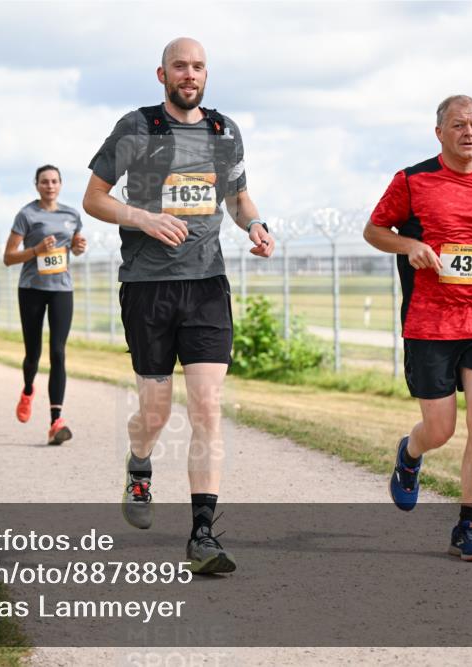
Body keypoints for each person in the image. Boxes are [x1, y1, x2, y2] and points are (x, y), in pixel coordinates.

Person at [83, 37, 274, 574]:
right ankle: (140, 464)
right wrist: (143, 218)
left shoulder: (225, 131)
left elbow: (238, 198)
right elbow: (93, 198)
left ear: (206, 74)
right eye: (180, 67)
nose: (190, 74)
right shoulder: (135, 127)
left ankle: (202, 534)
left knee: (207, 406)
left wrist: (256, 225)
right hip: (148, 286)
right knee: (156, 411)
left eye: (198, 67)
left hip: (207, 283)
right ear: (162, 74)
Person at [363, 95, 472, 562]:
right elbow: (374, 231)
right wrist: (409, 245)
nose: (469, 132)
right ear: (439, 132)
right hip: (429, 323)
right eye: (458, 125)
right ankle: (410, 454)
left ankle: (467, 526)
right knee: (439, 430)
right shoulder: (412, 180)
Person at [4, 165, 86, 445]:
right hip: (32, 290)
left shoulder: (72, 215)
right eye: (44, 182)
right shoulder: (27, 215)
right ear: (37, 185)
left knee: (58, 353)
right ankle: (28, 389)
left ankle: (56, 422)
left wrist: (78, 247)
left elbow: (73, 248)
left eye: (54, 181)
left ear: (61, 184)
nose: (49, 186)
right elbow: (8, 257)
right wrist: (36, 250)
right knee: (33, 354)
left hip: (62, 289)